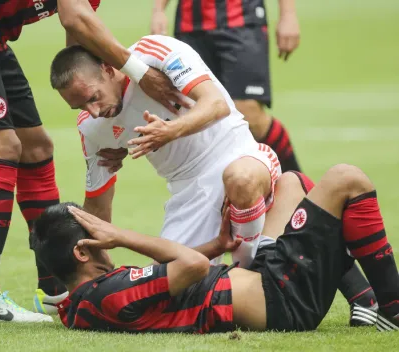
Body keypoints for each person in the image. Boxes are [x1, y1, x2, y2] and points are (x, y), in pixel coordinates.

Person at [0, 0, 188, 322]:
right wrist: (139, 72)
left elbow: (77, 40)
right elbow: (75, 17)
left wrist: (98, 110)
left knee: (36, 147)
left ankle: (52, 291)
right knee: (4, 146)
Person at [32, 164, 399, 333]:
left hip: (263, 280)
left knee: (290, 183)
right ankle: (392, 309)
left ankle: (365, 299)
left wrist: (217, 246)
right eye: (96, 231)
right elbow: (190, 266)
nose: (106, 234)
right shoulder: (106, 295)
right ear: (83, 251)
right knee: (347, 180)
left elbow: (180, 274)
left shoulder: (90, 298)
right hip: (283, 300)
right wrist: (122, 234)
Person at [50, 35, 284, 269]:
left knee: (241, 179)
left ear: (108, 69)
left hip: (238, 153)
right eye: (80, 106)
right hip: (188, 194)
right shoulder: (90, 127)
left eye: (94, 98)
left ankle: (249, 269)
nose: (93, 112)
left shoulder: (154, 53)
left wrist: (171, 130)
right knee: (164, 290)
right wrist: (95, 270)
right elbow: (98, 206)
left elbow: (216, 104)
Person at [151, 0, 303, 172]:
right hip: (190, 26)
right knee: (198, 116)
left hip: (243, 20)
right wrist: (158, 10)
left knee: (248, 113)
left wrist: (288, 14)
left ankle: (297, 184)